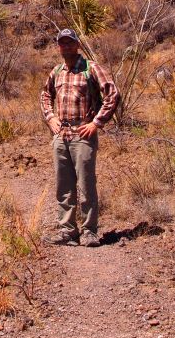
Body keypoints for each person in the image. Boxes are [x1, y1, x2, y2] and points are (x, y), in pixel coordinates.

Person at [39, 28, 120, 247]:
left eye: (69, 42)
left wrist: (96, 123)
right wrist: (50, 117)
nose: (66, 46)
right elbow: (45, 94)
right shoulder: (57, 71)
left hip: (83, 134)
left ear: (77, 45)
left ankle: (89, 231)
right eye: (62, 43)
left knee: (86, 184)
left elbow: (112, 94)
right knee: (63, 186)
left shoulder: (90, 68)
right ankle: (67, 230)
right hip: (61, 134)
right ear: (58, 46)